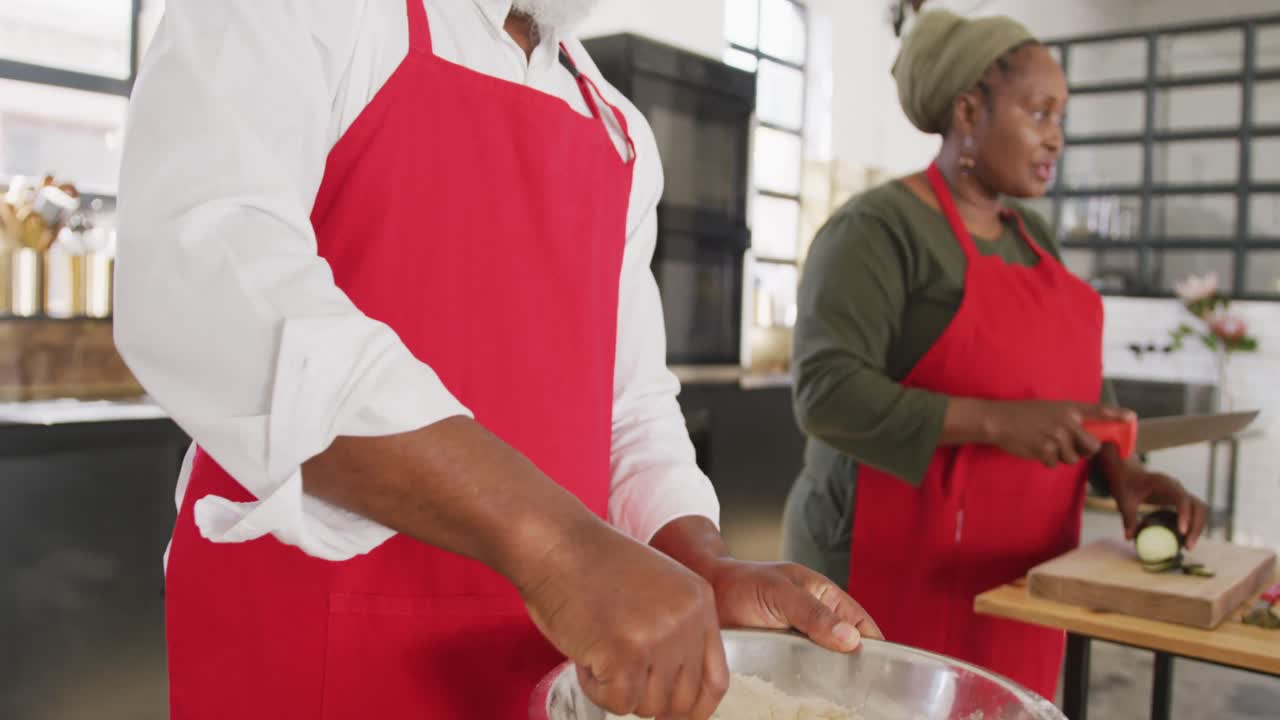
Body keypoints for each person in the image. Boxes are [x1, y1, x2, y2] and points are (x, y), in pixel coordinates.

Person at [114, 2, 880, 718]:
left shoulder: (617, 130)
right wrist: (555, 546)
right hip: (311, 656)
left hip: (541, 668)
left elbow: (628, 408)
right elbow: (205, 285)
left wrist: (698, 562)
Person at [781, 10, 1208, 701]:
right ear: (969, 112)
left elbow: (1071, 391)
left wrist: (1119, 470)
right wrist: (998, 422)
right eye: (1039, 112)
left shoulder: (1033, 237)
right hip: (877, 574)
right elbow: (825, 394)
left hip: (1015, 576)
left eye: (1061, 116)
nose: (1056, 137)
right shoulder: (878, 229)